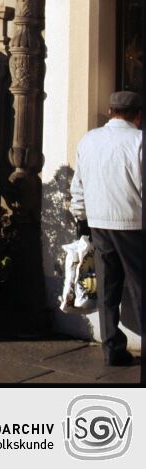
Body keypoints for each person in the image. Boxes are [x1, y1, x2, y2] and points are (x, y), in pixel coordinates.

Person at [70, 90, 142, 366]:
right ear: (137, 115)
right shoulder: (139, 141)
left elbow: (78, 186)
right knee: (139, 287)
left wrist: (81, 218)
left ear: (110, 112)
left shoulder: (89, 140)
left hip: (98, 222)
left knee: (108, 287)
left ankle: (111, 347)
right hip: (133, 224)